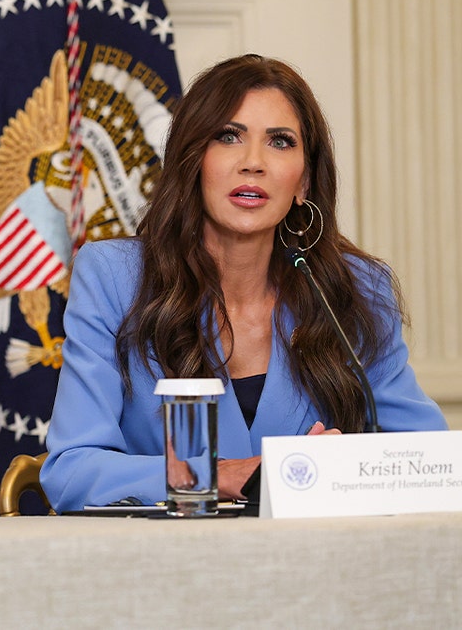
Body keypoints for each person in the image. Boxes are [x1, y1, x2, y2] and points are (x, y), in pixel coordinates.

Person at [40, 54, 446, 511]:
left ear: (304, 182)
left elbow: (425, 458)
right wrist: (217, 475)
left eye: (280, 142)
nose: (253, 163)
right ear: (194, 160)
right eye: (229, 137)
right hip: (167, 568)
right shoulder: (114, 278)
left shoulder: (356, 290)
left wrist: (340, 468)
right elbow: (71, 471)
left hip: (317, 568)